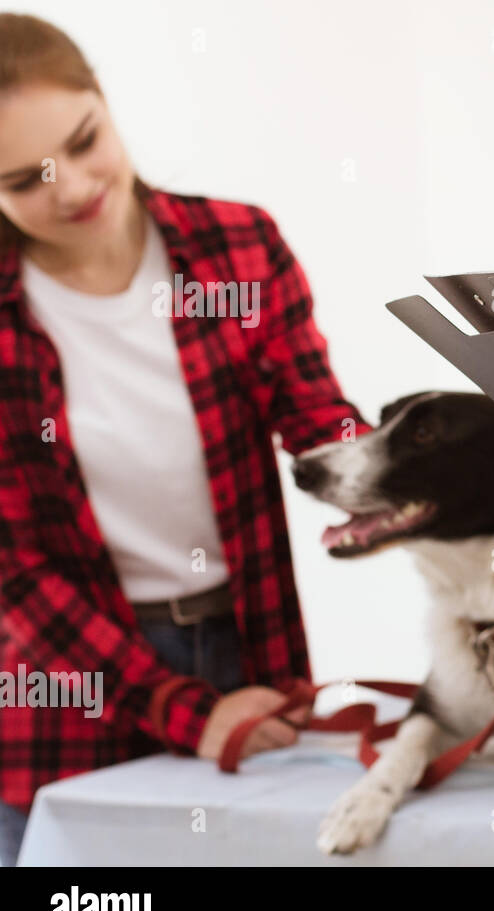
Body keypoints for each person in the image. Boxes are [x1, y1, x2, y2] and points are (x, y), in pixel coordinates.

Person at [0, 14, 371, 866]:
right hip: (67, 686)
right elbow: (17, 574)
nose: (72, 187)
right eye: (25, 180)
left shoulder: (236, 246)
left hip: (246, 652)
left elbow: (319, 421)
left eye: (84, 140)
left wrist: (438, 463)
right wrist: (184, 709)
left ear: (103, 98)